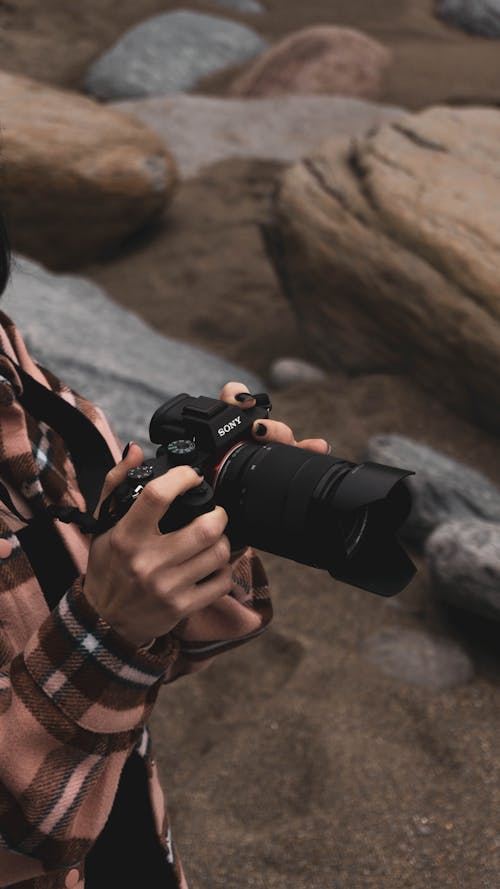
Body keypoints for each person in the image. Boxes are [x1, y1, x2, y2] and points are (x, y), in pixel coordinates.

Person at [0, 213, 330, 889]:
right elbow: (18, 827)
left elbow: (147, 669)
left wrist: (204, 539)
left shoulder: (22, 388)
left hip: (126, 841)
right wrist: (107, 628)